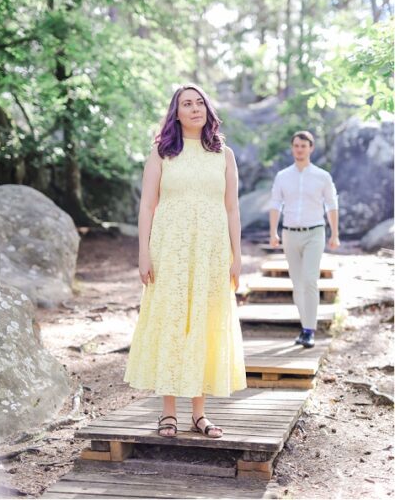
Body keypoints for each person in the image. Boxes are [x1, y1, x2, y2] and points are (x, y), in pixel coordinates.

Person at [124, 83, 246, 439]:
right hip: (171, 248)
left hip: (211, 250)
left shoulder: (224, 154)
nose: (194, 109)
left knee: (205, 322)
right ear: (175, 114)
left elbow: (232, 207)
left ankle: (199, 413)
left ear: (207, 109)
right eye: (186, 104)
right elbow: (147, 205)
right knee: (172, 319)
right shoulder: (162, 153)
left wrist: (237, 255)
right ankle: (168, 412)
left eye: (199, 103)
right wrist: (143, 252)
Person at [268, 131, 340, 349]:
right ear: (292, 148)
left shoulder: (322, 176)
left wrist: (335, 233)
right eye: (296, 145)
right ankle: (304, 327)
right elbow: (275, 204)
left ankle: (309, 330)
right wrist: (273, 232)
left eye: (303, 145)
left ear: (311, 148)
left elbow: (332, 205)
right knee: (297, 284)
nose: (299, 149)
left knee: (310, 280)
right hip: (290, 233)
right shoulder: (282, 176)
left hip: (315, 232)